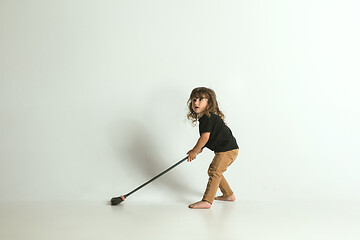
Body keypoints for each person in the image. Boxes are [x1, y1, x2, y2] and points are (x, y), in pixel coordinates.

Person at [186, 87, 239, 209]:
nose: (196, 102)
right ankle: (228, 195)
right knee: (214, 171)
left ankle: (207, 201)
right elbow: (209, 138)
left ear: (209, 103)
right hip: (227, 149)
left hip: (227, 150)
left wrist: (194, 151)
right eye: (194, 100)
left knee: (215, 172)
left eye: (200, 99)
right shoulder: (206, 118)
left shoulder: (208, 118)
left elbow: (204, 138)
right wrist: (200, 149)